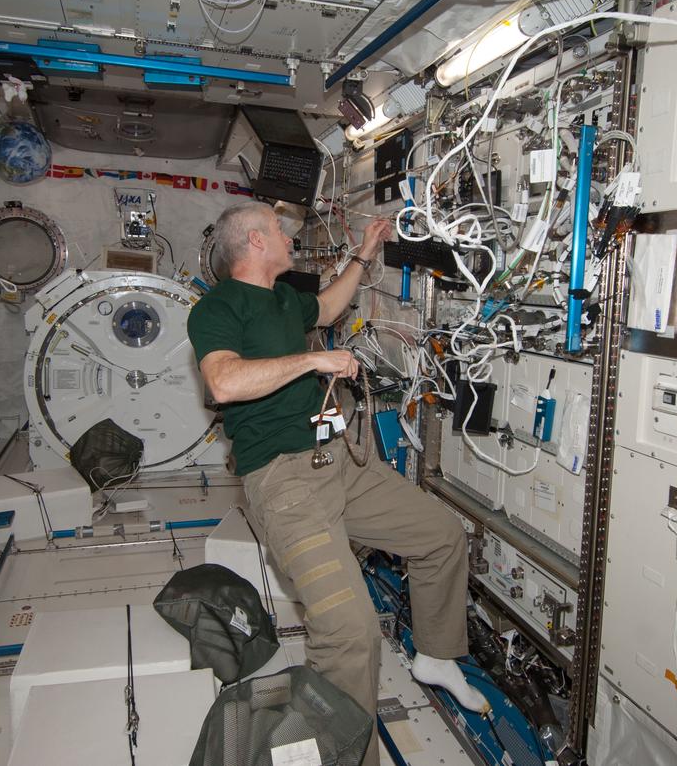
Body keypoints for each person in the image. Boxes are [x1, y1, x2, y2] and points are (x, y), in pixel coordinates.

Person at [188, 201, 488, 765]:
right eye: (278, 230)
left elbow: (328, 304)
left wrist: (365, 251)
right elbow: (224, 381)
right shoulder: (218, 306)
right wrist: (313, 362)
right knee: (350, 634)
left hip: (340, 462)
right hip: (286, 483)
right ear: (254, 241)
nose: (288, 237)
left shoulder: (283, 298)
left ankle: (436, 654)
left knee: (441, 535)